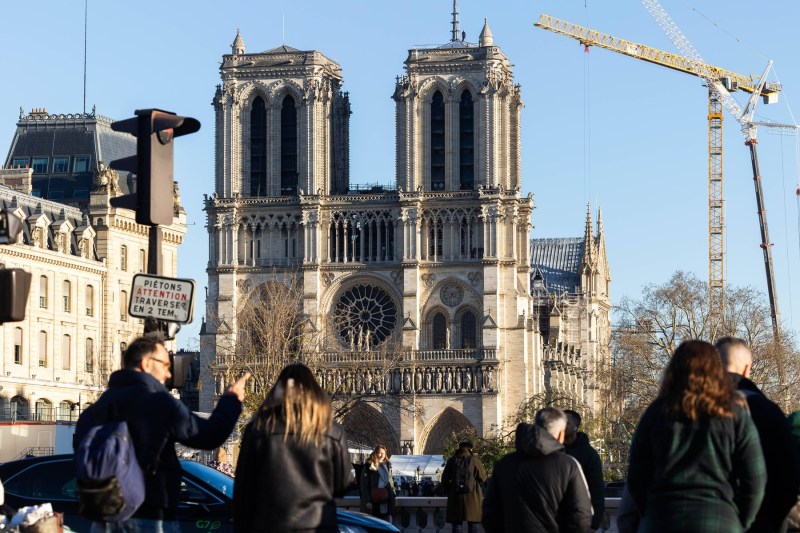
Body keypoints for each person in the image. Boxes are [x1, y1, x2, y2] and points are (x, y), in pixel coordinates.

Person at [75, 337, 248, 533]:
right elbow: (209, 436)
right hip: (151, 517)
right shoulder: (159, 402)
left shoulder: (93, 411)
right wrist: (231, 401)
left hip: (104, 518)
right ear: (146, 363)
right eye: (166, 364)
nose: (168, 373)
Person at [627, 340, 767, 533]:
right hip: (720, 518)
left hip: (663, 518)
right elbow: (755, 479)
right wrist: (740, 520)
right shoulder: (734, 413)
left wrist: (652, 513)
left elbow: (636, 476)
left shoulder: (656, 412)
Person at [234, 363, 353, 532]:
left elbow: (243, 491)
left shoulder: (257, 430)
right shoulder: (334, 432)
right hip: (317, 525)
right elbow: (343, 485)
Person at [716, 336, 800, 532]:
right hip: (759, 521)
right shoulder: (768, 412)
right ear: (747, 368)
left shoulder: (681, 406)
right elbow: (787, 478)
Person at [483, 407, 592, 532]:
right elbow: (581, 516)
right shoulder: (568, 465)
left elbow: (490, 514)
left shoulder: (504, 464)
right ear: (561, 434)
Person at [563, 409, 605, 533]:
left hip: (579, 522)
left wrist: (593, 524)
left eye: (566, 422)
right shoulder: (552, 450)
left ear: (575, 427)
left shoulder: (588, 454)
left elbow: (596, 489)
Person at [441, 441, 487, 533]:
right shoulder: (475, 460)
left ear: (459, 448)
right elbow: (483, 478)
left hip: (455, 496)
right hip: (472, 496)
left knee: (457, 525)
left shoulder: (452, 460)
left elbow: (444, 479)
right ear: (470, 449)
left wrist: (450, 489)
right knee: (472, 525)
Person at [359, 444, 395, 521]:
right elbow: (364, 485)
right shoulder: (369, 466)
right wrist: (367, 501)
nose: (381, 455)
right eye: (379, 453)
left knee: (387, 522)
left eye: (383, 453)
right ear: (375, 453)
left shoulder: (387, 466)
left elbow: (390, 483)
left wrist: (393, 494)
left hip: (386, 499)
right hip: (374, 500)